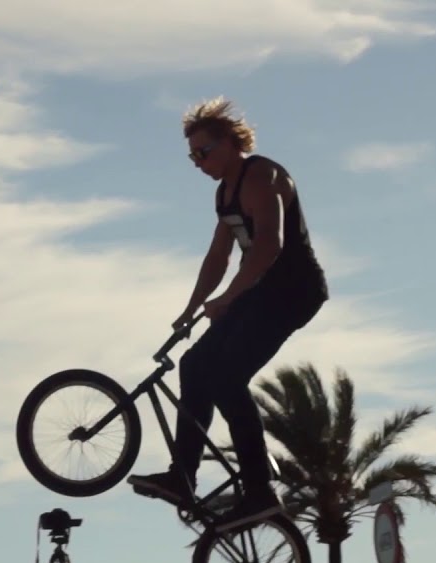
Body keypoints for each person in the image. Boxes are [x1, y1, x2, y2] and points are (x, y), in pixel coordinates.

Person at [127, 97, 328, 533]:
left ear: (231, 143)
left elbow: (269, 245)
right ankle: (183, 478)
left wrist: (228, 298)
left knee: (226, 378)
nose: (198, 163)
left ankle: (260, 490)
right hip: (260, 292)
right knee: (194, 365)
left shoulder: (261, 176)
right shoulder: (225, 193)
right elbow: (218, 257)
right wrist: (191, 308)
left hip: (293, 292)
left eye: (203, 152)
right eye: (192, 157)